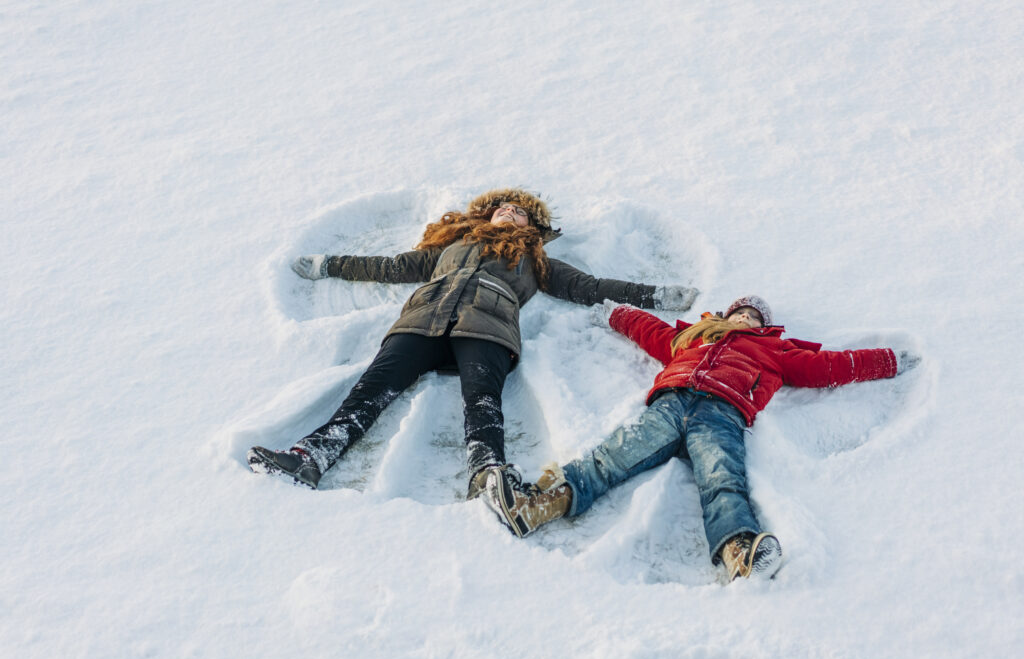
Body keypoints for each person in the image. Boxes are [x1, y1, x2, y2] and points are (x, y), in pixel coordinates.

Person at [247, 188, 699, 496]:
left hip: (489, 325)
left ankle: (487, 472)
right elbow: (388, 267)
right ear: (487, 213)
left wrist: (654, 295)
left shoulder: (534, 258)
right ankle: (312, 455)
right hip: (423, 318)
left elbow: (592, 286)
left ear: (532, 226)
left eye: (520, 211)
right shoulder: (450, 246)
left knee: (482, 398)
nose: (509, 212)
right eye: (502, 207)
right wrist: (329, 265)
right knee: (372, 387)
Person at [482, 295, 920, 582]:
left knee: (722, 478)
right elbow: (649, 330)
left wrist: (886, 360)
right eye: (741, 312)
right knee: (611, 456)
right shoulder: (693, 337)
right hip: (669, 404)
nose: (746, 318)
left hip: (722, 414)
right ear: (727, 315)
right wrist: (614, 312)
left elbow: (831, 367)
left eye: (754, 317)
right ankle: (536, 505)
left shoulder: (778, 352)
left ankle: (738, 552)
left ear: (765, 327)